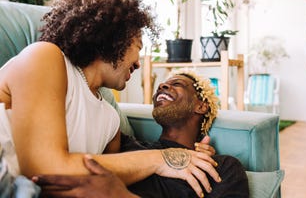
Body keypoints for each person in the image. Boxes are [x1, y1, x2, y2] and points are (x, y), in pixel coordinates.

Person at [0, 0, 220, 198]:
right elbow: (44, 169)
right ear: (116, 37)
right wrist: (162, 158)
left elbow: (101, 184)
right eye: (138, 48)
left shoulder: (111, 122)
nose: (139, 63)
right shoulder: (44, 57)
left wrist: (191, 153)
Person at [34, 70, 250, 198]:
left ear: (201, 106)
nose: (163, 86)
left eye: (177, 84)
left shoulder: (221, 168)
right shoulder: (125, 147)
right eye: (162, 85)